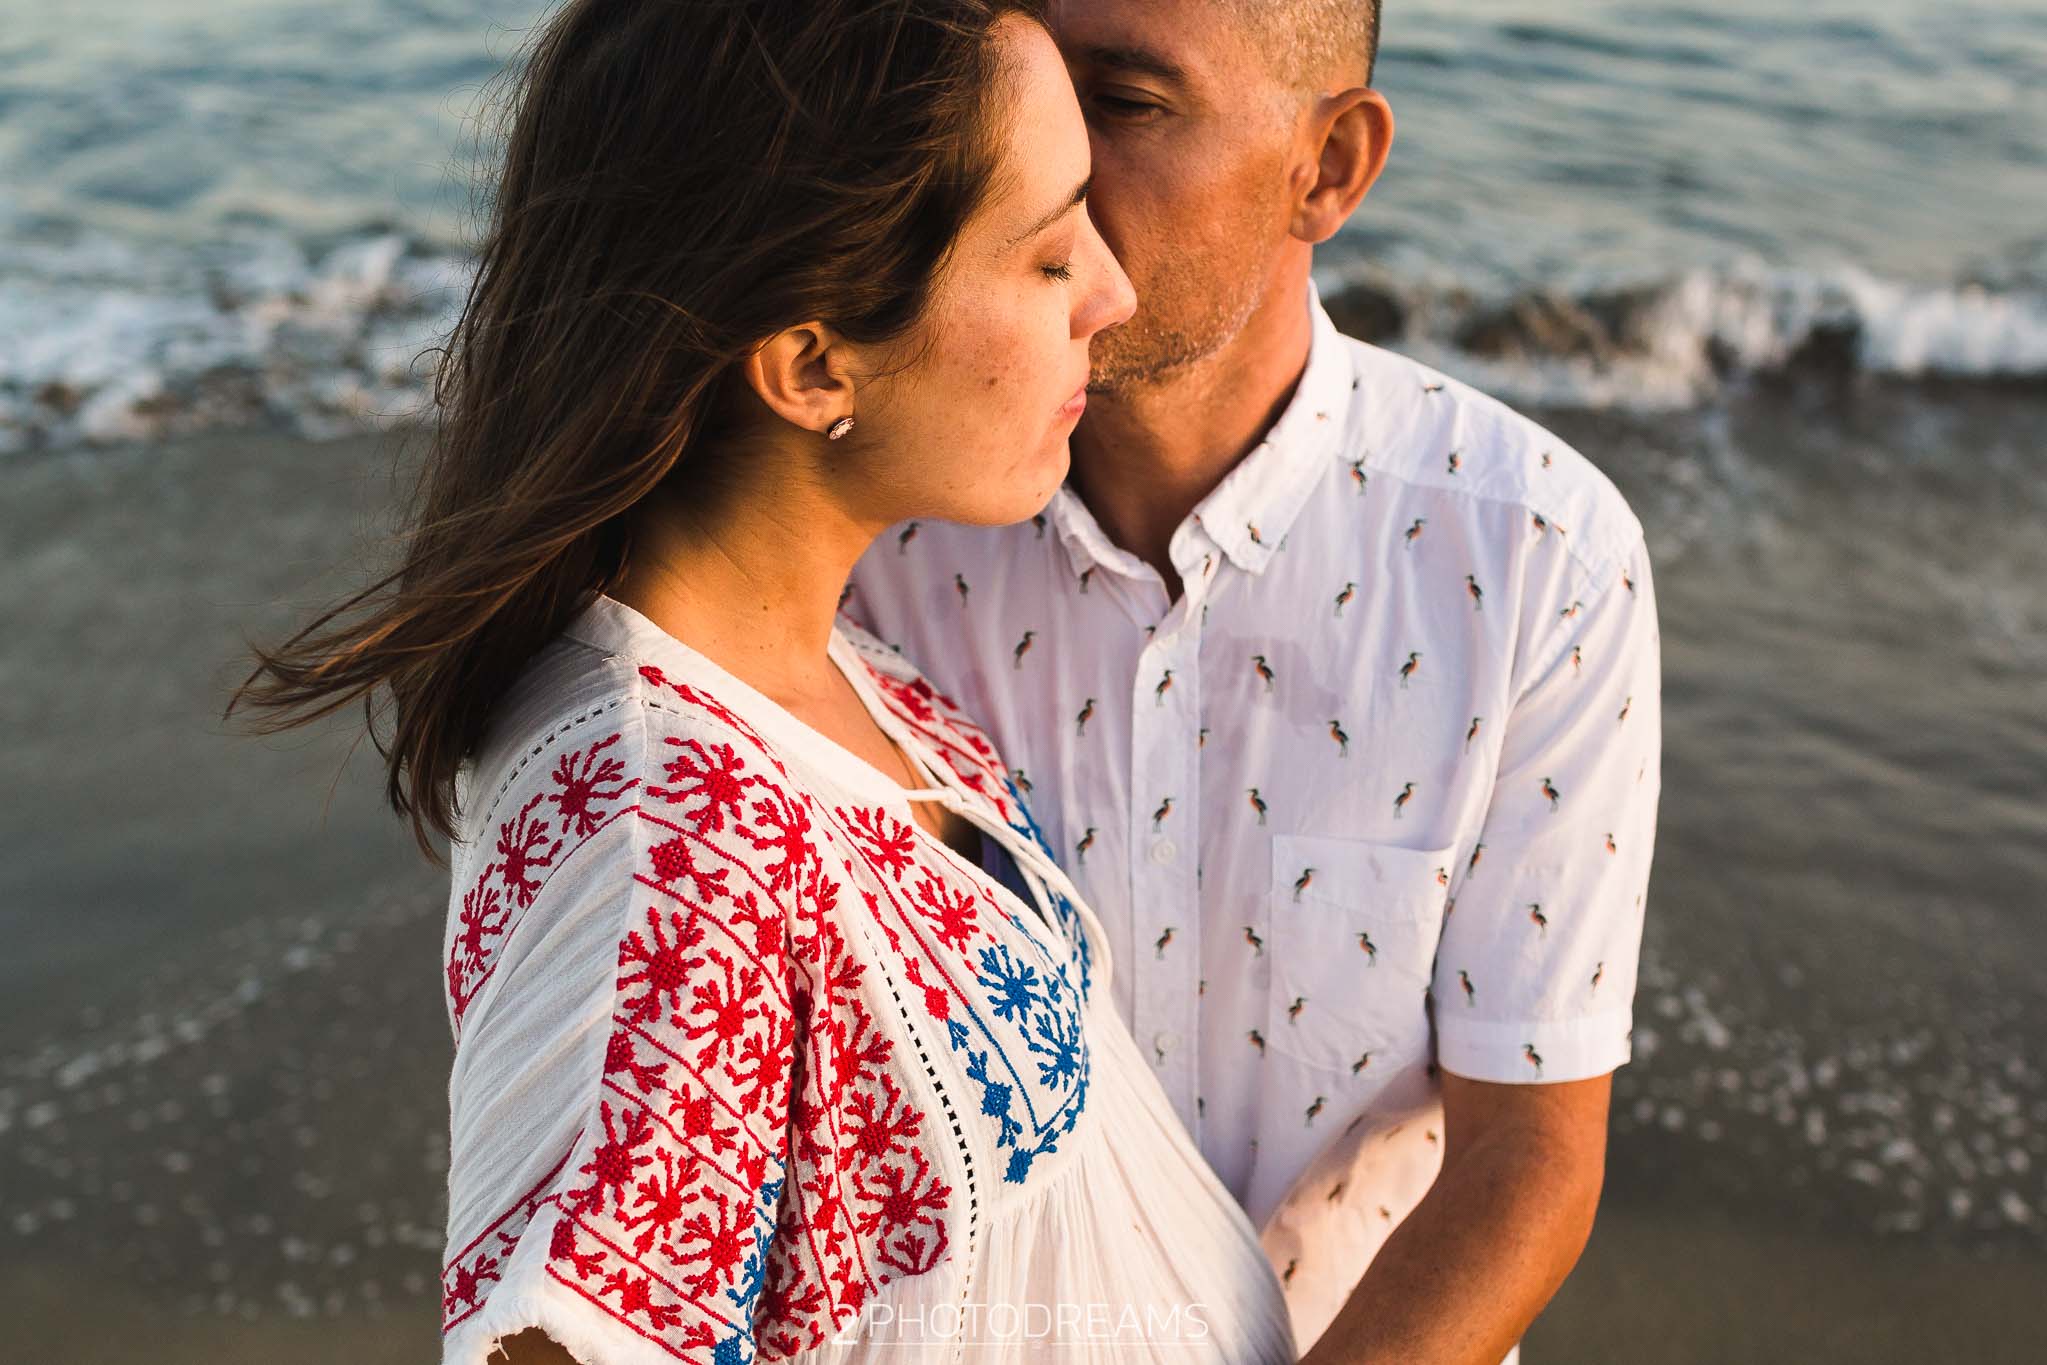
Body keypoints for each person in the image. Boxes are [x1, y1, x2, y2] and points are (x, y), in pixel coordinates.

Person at [224, 1, 1299, 1361]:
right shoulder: (666, 837)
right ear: (813, 363)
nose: (1111, 291)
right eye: (1045, 256)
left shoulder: (827, 660)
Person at [845, 3, 1664, 1363]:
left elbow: (1527, 1153)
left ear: (1326, 168)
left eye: (1123, 102)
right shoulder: (878, 532)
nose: (1038, 156)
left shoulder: (1535, 556)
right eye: (1021, 82)